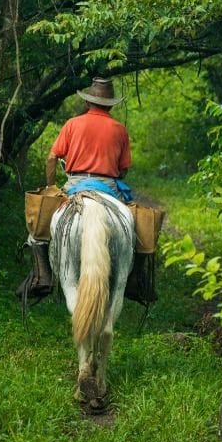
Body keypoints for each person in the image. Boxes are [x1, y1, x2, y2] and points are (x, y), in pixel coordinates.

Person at [17, 77, 132, 302]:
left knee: (38, 228)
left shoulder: (73, 124)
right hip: (108, 186)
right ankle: (136, 280)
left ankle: (43, 276)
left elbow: (52, 159)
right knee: (135, 226)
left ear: (88, 102)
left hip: (75, 185)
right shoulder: (120, 129)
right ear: (110, 105)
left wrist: (51, 186)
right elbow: (123, 170)